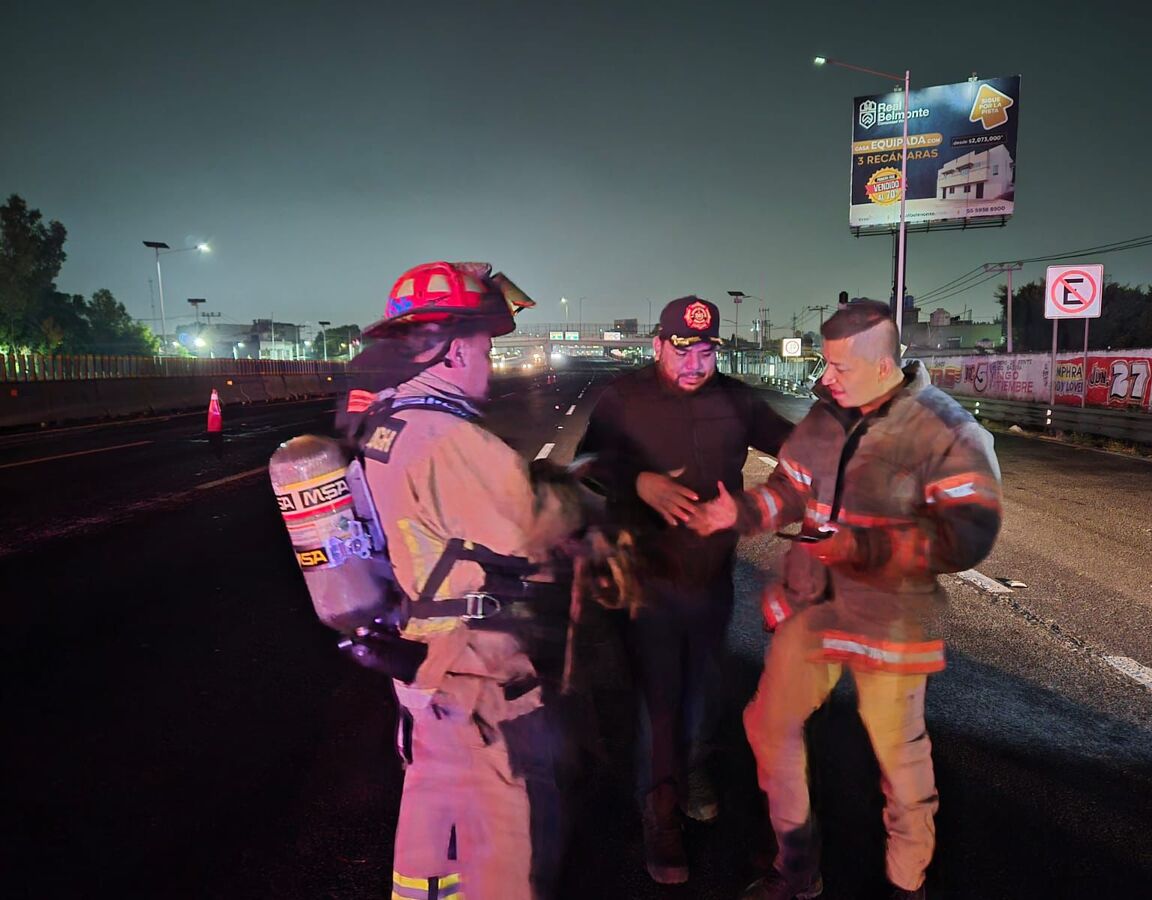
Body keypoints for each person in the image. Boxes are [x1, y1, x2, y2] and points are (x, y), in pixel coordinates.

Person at [691, 299, 1002, 900]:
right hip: (813, 606)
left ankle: (904, 884)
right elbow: (791, 489)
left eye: (838, 367)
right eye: (824, 364)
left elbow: (968, 535)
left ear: (884, 365)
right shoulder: (825, 418)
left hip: (890, 620)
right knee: (766, 724)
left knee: (900, 763)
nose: (824, 378)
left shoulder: (947, 431)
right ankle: (796, 867)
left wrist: (860, 546)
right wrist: (746, 511)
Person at [347, 261, 581, 900]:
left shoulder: (387, 419)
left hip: (422, 666)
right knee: (501, 839)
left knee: (433, 822)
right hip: (474, 673)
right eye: (483, 344)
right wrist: (583, 491)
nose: (490, 360)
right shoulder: (455, 442)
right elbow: (539, 537)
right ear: (452, 350)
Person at [575, 295, 793, 884]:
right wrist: (639, 480)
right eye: (682, 350)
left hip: (711, 576)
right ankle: (660, 811)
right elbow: (587, 460)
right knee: (662, 698)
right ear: (657, 345)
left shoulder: (736, 398)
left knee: (701, 688)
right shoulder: (625, 397)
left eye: (704, 351)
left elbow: (799, 452)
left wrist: (759, 503)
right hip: (644, 575)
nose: (695, 363)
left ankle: (688, 770)